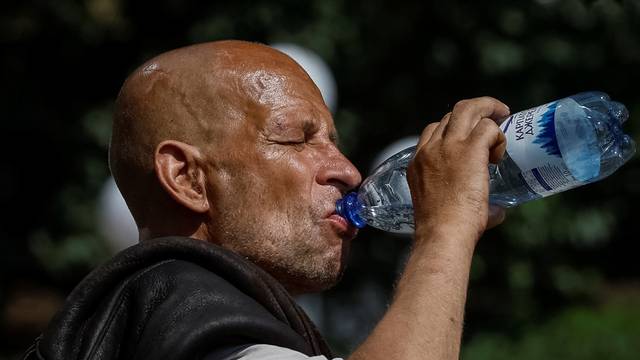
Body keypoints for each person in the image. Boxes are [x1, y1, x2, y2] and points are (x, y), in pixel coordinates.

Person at [23, 40, 508, 360]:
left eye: (334, 142)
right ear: (188, 178)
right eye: (297, 139)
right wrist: (446, 228)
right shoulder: (187, 306)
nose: (348, 171)